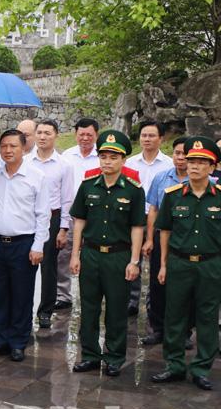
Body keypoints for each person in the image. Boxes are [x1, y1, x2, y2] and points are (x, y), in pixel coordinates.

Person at [70, 130, 145, 377]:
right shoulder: (88, 185)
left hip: (118, 256)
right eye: (103, 156)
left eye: (113, 157)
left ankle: (114, 357)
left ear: (123, 160)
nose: (107, 162)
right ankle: (90, 355)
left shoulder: (133, 190)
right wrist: (75, 255)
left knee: (116, 309)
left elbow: (137, 227)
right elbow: (79, 222)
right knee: (88, 308)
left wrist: (134, 261)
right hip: (91, 255)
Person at [151, 136, 221, 391]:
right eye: (191, 160)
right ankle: (175, 365)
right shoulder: (173, 196)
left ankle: (202, 368)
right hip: (179, 263)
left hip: (211, 264)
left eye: (202, 162)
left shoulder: (219, 197)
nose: (194, 166)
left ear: (212, 168)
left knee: (207, 317)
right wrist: (163, 265)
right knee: (174, 315)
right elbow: (165, 232)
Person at [0, 128, 50, 363]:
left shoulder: (36, 177)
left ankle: (19, 342)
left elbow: (43, 215)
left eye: (13, 146)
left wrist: (38, 245)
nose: (8, 150)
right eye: (4, 146)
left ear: (24, 148)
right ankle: (0, 340)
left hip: (24, 243)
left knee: (22, 294)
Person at [141, 137, 192, 345]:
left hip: (188, 239)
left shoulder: (202, 181)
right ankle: (158, 328)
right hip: (161, 235)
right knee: (157, 283)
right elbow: (153, 209)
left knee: (185, 287)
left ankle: (185, 332)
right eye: (177, 153)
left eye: (184, 155)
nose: (180, 158)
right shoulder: (161, 178)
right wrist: (149, 239)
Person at [27, 119, 74, 328]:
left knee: (49, 266)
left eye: (48, 133)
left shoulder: (64, 165)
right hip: (28, 218)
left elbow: (67, 200)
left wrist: (63, 229)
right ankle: (24, 307)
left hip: (52, 218)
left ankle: (45, 310)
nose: (43, 137)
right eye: (40, 132)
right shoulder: (26, 161)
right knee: (25, 265)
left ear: (56, 135)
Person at [126, 120, 174, 316]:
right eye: (144, 135)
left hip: (159, 220)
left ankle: (153, 304)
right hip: (135, 218)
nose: (147, 139)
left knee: (157, 262)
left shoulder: (169, 164)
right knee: (133, 257)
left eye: (151, 135)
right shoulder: (130, 163)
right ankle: (132, 300)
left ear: (161, 139)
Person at [57, 118, 101, 311]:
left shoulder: (102, 156)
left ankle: (92, 296)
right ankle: (63, 295)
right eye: (81, 134)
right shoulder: (67, 156)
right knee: (64, 254)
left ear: (96, 136)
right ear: (75, 134)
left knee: (92, 255)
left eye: (89, 135)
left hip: (96, 214)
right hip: (71, 213)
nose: (85, 138)